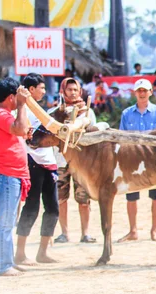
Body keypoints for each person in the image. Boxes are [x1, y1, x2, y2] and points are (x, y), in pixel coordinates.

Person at [15, 73, 59, 266]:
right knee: (31, 207)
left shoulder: (41, 110)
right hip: (32, 161)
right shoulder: (23, 110)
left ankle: (42, 252)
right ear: (31, 89)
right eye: (41, 87)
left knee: (53, 208)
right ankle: (20, 252)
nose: (44, 90)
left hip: (49, 162)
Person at [118, 79, 156, 243]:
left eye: (144, 90)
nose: (142, 93)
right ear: (135, 92)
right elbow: (122, 138)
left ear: (150, 92)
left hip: (154, 160)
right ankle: (133, 231)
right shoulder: (126, 113)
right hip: (132, 161)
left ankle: (154, 230)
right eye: (139, 90)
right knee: (131, 196)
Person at [54, 78, 98, 244]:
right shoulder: (57, 112)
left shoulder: (87, 113)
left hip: (81, 163)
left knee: (83, 198)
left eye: (75, 89)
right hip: (61, 161)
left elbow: (93, 134)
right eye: (69, 89)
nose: (72, 92)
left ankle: (85, 233)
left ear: (80, 92)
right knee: (61, 198)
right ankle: (64, 233)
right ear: (63, 91)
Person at [0, 78, 31, 276]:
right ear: (11, 97)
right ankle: (2, 265)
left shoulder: (2, 114)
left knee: (7, 221)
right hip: (6, 175)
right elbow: (20, 129)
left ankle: (5, 260)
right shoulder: (1, 114)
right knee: (5, 222)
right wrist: (22, 105)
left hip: (8, 175)